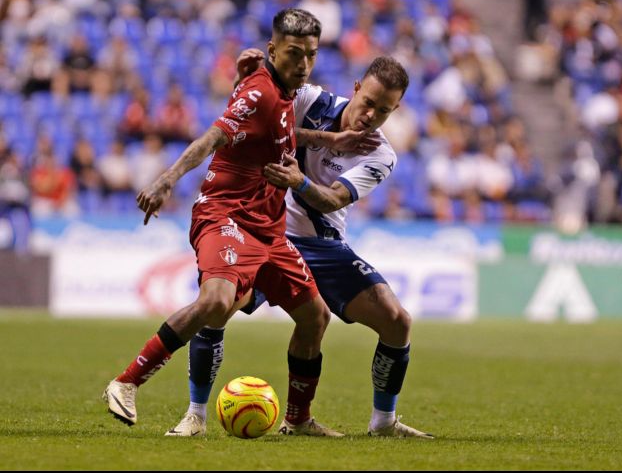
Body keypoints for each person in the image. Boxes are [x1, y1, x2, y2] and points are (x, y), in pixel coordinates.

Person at [103, 8, 345, 438]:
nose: (304, 64)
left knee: (315, 317)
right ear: (274, 49)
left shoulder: (286, 90)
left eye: (311, 54)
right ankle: (126, 382)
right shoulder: (259, 92)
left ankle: (299, 419)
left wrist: (330, 140)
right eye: (294, 54)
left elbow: (283, 135)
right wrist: (165, 181)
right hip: (226, 214)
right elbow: (213, 137)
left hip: (268, 227)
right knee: (216, 301)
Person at [165, 52, 434, 439]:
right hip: (261, 231)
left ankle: (372, 422)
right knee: (218, 306)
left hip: (322, 244)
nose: (371, 116)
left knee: (397, 321)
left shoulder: (381, 153)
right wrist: (254, 70)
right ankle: (196, 415)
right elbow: (260, 113)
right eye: (369, 103)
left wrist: (298, 182)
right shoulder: (311, 100)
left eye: (384, 111)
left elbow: (332, 199)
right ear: (356, 88)